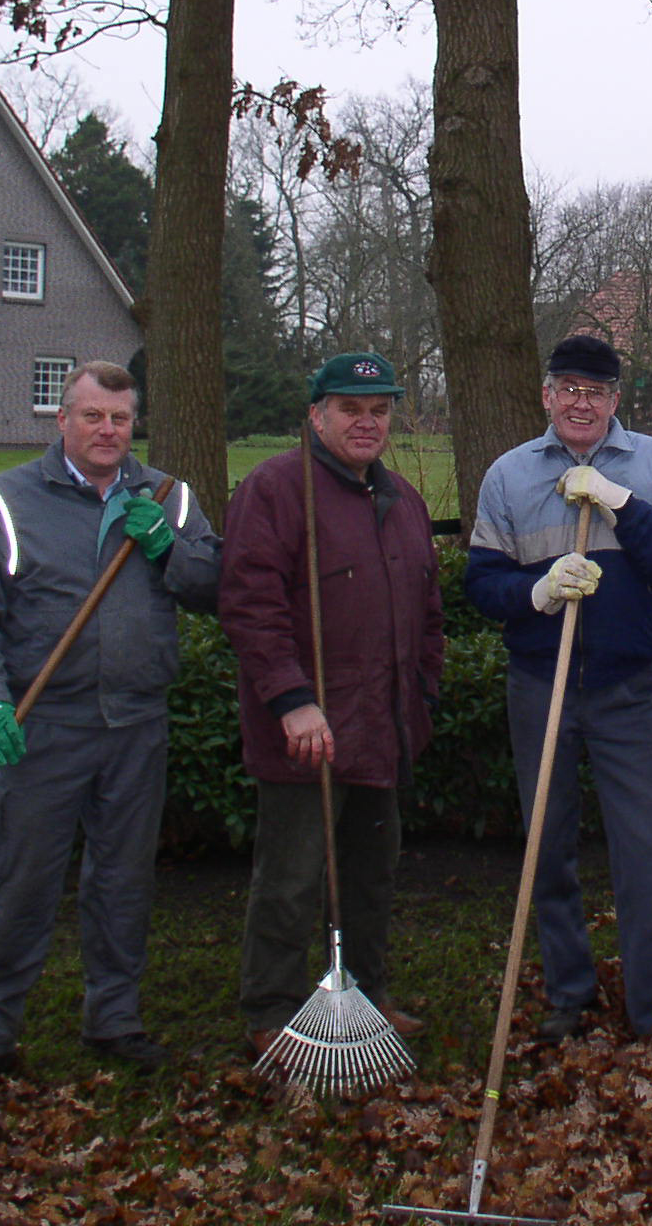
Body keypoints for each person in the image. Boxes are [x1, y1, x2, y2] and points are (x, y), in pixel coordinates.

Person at [0, 360, 220, 1094]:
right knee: (22, 882)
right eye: (92, 416)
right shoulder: (5, 501)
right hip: (42, 727)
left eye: (120, 419)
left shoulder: (167, 496)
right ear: (61, 420)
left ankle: (114, 1019)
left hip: (135, 724)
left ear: (135, 425)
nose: (107, 431)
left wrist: (168, 550)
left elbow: (216, 586)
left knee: (123, 881)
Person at [464, 334, 652, 1040]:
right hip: (541, 683)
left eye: (595, 391)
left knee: (648, 848)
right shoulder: (508, 476)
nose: (580, 402)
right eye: (568, 387)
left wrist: (619, 503)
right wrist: (535, 590)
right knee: (548, 843)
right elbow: (481, 582)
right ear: (546, 395)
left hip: (626, 687)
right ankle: (569, 992)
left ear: (615, 402)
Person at [219, 351, 444, 1052]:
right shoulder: (277, 490)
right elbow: (249, 603)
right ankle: (272, 1011)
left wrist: (424, 692)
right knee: (291, 877)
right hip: (307, 731)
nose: (366, 423)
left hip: (384, 723)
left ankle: (366, 993)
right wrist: (290, 698)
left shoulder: (403, 499)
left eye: (379, 411)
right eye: (350, 409)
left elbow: (428, 608)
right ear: (317, 416)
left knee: (372, 874)